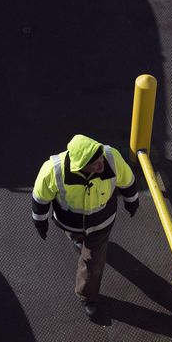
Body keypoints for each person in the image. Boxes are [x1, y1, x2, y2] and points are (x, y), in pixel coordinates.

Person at [32, 134, 139, 319]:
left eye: (99, 158)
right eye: (94, 163)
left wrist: (132, 201)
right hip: (70, 225)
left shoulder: (111, 157)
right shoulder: (53, 171)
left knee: (92, 262)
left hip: (101, 224)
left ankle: (87, 296)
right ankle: (79, 242)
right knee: (79, 242)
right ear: (79, 167)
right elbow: (40, 199)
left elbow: (127, 181)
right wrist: (40, 222)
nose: (101, 164)